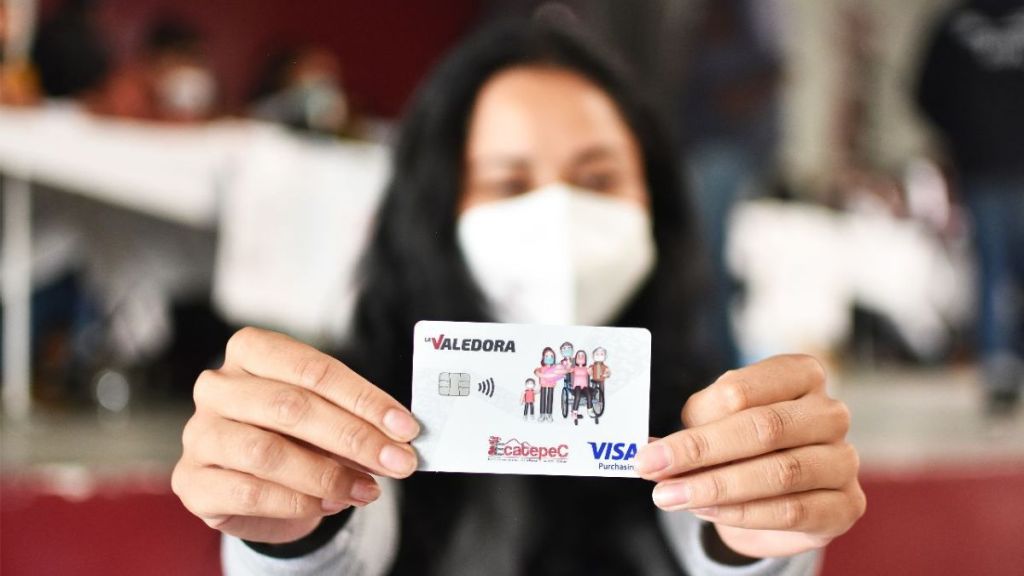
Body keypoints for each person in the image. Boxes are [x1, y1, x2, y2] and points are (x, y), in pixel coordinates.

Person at [173, 20, 864, 576]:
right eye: (508, 184)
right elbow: (340, 545)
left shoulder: (694, 411)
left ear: (656, 206)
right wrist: (288, 524)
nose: (557, 214)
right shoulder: (376, 402)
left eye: (597, 179)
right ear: (437, 212)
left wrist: (758, 530)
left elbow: (717, 546)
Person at [917, 0, 1024, 415]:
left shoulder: (952, 24)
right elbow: (926, 91)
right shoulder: (952, 25)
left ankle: (999, 367)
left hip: (981, 162)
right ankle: (998, 368)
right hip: (981, 167)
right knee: (991, 269)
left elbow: (926, 92)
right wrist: (964, 137)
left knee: (991, 270)